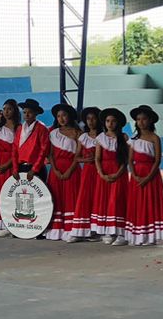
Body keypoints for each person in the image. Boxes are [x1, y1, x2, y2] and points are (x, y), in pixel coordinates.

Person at [124, 105, 163, 246]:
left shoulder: (154, 138)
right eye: (138, 119)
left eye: (144, 119)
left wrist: (148, 177)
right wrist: (134, 175)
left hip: (151, 174)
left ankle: (152, 236)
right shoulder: (134, 139)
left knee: (151, 202)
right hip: (137, 175)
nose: (141, 122)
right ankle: (139, 234)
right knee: (138, 203)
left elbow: (157, 160)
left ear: (150, 120)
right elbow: (130, 160)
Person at [43, 104, 84, 241]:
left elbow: (78, 155)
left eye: (64, 115)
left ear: (69, 116)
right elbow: (50, 154)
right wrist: (55, 170)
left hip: (72, 169)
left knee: (72, 198)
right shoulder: (52, 133)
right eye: (58, 116)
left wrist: (69, 170)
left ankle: (73, 229)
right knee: (57, 198)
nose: (61, 118)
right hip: (56, 170)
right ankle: (56, 229)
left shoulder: (78, 133)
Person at [92, 108, 129, 244]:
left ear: (118, 123)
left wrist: (118, 173)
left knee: (117, 200)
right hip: (104, 173)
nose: (110, 124)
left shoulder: (123, 137)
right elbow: (97, 158)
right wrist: (101, 174)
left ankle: (122, 232)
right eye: (108, 121)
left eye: (113, 121)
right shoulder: (100, 138)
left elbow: (125, 159)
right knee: (106, 200)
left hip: (119, 173)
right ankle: (109, 231)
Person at [0, 100, 23, 235]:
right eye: (4, 109)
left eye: (9, 109)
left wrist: (6, 165)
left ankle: (10, 224)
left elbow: (18, 151)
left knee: (10, 192)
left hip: (11, 164)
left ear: (14, 111)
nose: (6, 112)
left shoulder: (19, 128)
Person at [72, 106, 102, 243]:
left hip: (100, 172)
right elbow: (76, 157)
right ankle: (82, 229)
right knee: (85, 198)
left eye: (93, 118)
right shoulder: (83, 137)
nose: (91, 121)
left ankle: (98, 230)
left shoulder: (103, 137)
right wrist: (86, 160)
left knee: (99, 198)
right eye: (88, 119)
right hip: (87, 172)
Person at [17, 99, 51, 178]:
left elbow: (44, 150)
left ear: (36, 113)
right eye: (24, 112)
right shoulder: (20, 128)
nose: (26, 115)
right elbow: (15, 148)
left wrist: (34, 169)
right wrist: (15, 168)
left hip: (36, 168)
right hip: (21, 167)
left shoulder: (42, 128)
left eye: (30, 112)